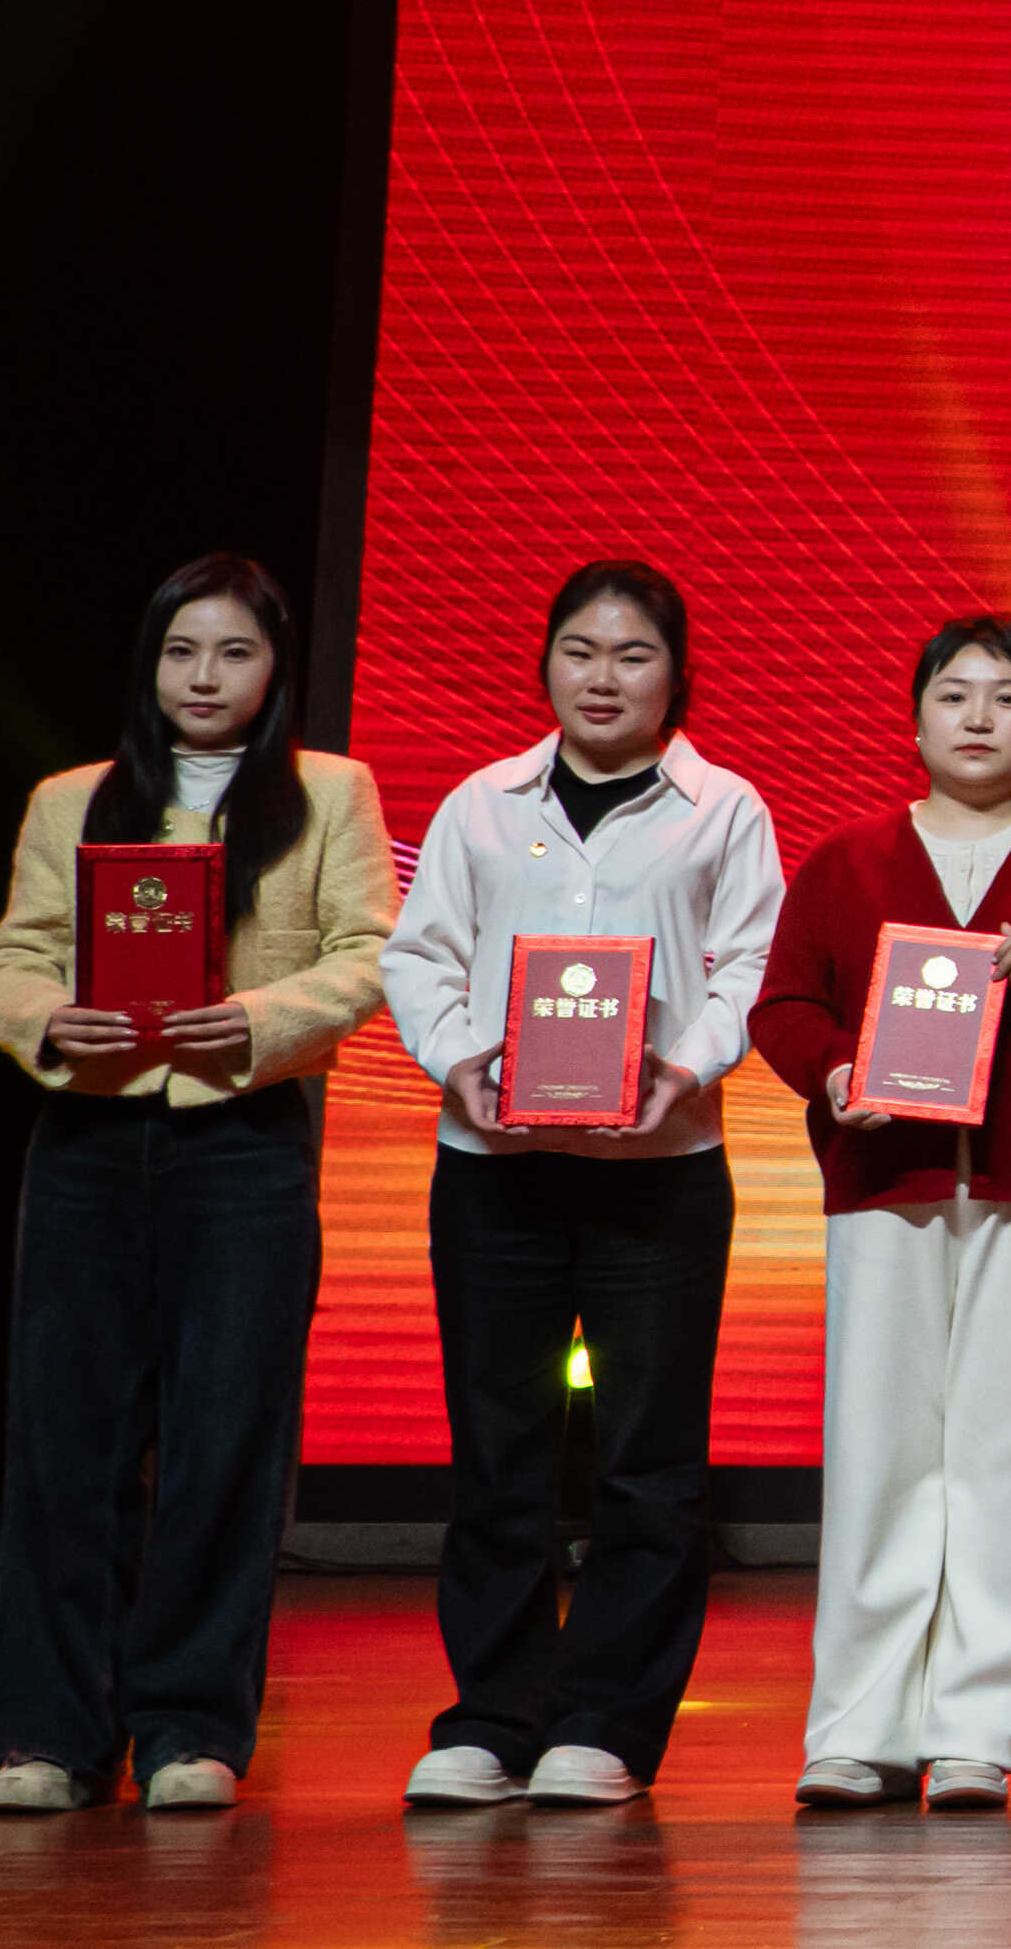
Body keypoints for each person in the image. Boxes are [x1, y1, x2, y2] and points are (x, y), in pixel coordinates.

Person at [0, 553, 398, 1816]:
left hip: (245, 1140)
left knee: (225, 1439)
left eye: (234, 652)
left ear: (276, 669)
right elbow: (15, 954)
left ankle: (190, 1732)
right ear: (150, 663)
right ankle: (48, 1735)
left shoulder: (331, 792)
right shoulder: (71, 800)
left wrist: (259, 1018)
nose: (204, 677)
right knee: (66, 1442)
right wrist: (50, 1020)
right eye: (181, 651)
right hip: (90, 1142)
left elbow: (369, 950)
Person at [373, 560, 782, 1811]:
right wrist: (459, 1061)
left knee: (647, 1463)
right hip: (493, 1170)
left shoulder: (724, 809)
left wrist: (685, 1065)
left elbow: (750, 963)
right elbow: (419, 956)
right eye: (581, 652)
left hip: (661, 1171)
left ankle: (604, 1723)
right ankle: (491, 1718)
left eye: (633, 655)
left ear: (677, 674)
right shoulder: (481, 805)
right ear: (547, 662)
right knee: (498, 1450)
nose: (603, 678)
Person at [744, 615, 1011, 1810]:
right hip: (886, 1181)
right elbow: (785, 1006)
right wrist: (834, 1075)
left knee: (1008, 1456)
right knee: (879, 1451)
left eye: (1007, 696)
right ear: (916, 718)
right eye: (955, 694)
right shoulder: (849, 861)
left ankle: (979, 1728)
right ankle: (858, 1728)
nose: (978, 716)